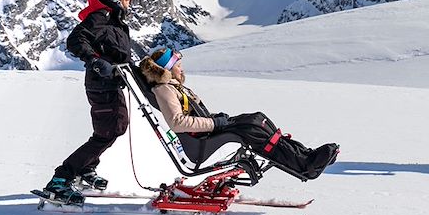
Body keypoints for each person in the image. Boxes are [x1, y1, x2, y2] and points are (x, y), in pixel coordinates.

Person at [139, 47, 340, 180]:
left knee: (257, 119)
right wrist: (215, 124)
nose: (182, 70)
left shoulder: (173, 86)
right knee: (252, 127)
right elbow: (177, 122)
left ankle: (304, 155)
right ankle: (303, 165)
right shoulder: (164, 89)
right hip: (198, 142)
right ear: (167, 69)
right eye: (178, 66)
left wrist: (216, 118)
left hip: (205, 131)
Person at [44, 0, 138, 204]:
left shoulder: (113, 18)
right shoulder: (101, 16)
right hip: (102, 84)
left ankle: (86, 168)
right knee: (111, 130)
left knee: (110, 129)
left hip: (111, 82)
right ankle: (61, 179)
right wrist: (95, 61)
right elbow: (76, 40)